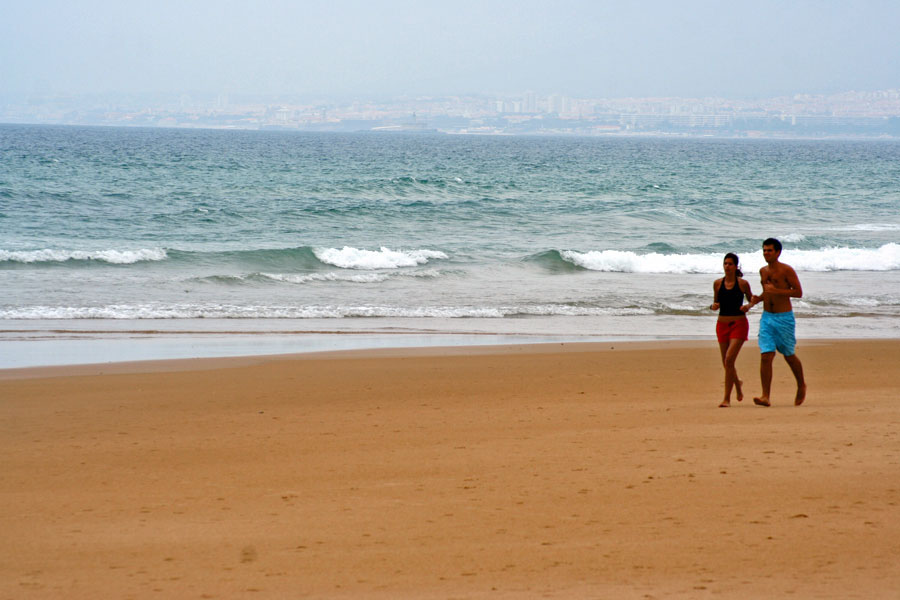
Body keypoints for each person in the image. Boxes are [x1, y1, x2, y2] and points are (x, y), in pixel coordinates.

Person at [747, 238, 807, 406]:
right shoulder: (763, 271)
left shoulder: (786, 270)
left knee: (789, 355)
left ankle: (801, 384)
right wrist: (756, 300)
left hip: (784, 318)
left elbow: (798, 292)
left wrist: (777, 291)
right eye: (764, 250)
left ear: (778, 252)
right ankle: (765, 396)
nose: (766, 253)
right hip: (767, 318)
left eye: (769, 250)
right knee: (766, 355)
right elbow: (767, 292)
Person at [709, 253, 753, 407]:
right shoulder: (717, 283)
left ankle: (726, 398)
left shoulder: (742, 284)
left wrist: (747, 306)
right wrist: (713, 306)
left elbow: (751, 299)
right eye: (725, 263)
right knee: (726, 362)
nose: (727, 266)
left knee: (729, 359)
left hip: (739, 324)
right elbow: (716, 303)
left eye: (730, 264)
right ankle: (738, 384)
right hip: (721, 325)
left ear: (736, 266)